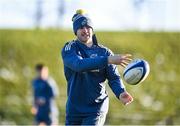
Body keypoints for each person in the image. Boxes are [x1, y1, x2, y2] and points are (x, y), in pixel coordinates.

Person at [61, 9, 133, 125]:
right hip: (74, 109)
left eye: (88, 27)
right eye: (81, 28)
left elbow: (113, 78)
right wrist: (108, 60)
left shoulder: (104, 52)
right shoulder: (69, 48)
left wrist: (121, 92)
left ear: (92, 29)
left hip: (95, 109)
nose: (85, 30)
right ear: (75, 31)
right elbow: (78, 65)